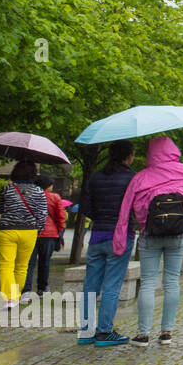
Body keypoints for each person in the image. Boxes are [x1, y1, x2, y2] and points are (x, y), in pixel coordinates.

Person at [115, 136, 183, 348]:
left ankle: (143, 334)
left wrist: (134, 227)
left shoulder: (141, 176)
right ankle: (167, 332)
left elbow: (128, 205)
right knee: (172, 281)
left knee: (147, 282)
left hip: (150, 234)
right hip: (178, 235)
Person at [77, 140, 138, 346]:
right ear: (129, 156)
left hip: (97, 235)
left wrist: (100, 219)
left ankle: (86, 331)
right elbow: (137, 207)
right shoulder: (132, 178)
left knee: (90, 285)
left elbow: (86, 206)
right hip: (120, 236)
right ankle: (104, 332)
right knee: (112, 284)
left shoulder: (96, 177)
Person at [0, 161, 47, 306]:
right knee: (22, 266)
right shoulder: (39, 191)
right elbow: (42, 214)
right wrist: (38, 229)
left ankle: (9, 298)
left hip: (8, 230)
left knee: (6, 264)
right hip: (29, 231)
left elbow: (0, 208)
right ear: (33, 174)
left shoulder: (7, 189)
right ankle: (16, 296)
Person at [24, 175, 68, 296]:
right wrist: (59, 230)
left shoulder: (29, 196)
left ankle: (26, 290)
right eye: (51, 185)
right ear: (47, 186)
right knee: (45, 262)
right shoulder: (55, 197)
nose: (52, 187)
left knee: (29, 263)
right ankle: (42, 288)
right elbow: (61, 216)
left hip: (31, 233)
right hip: (49, 234)